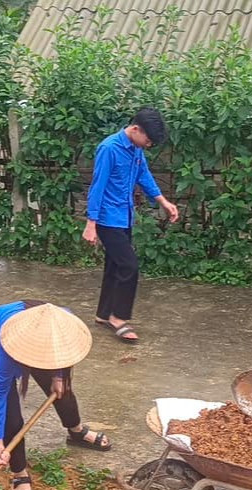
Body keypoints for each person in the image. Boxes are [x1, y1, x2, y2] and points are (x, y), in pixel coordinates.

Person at [0, 301, 105, 490]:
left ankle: (77, 431)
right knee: (12, 417)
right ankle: (19, 472)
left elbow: (65, 353)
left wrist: (58, 375)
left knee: (63, 393)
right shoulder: (10, 346)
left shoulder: (63, 322)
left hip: (39, 342)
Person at [82, 107, 179, 344]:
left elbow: (143, 176)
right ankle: (119, 317)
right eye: (148, 140)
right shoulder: (109, 149)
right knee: (129, 266)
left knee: (115, 266)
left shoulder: (135, 150)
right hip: (106, 219)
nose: (148, 145)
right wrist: (90, 223)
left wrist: (163, 201)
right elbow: (98, 186)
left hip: (124, 216)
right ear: (135, 129)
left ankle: (103, 314)